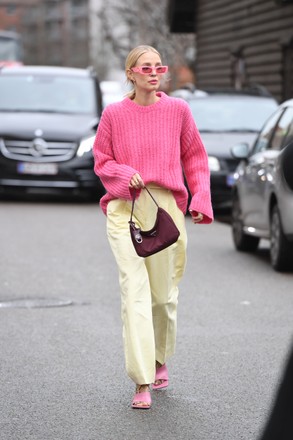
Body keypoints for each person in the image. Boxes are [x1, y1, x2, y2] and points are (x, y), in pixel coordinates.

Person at [93, 45, 213, 409]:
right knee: (135, 292)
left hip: (166, 209)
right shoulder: (114, 114)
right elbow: (102, 160)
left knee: (162, 296)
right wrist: (123, 173)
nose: (153, 72)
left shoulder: (178, 110)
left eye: (158, 66)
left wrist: (200, 198)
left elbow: (195, 156)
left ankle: (160, 358)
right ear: (130, 73)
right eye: (145, 67)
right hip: (125, 209)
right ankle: (141, 380)